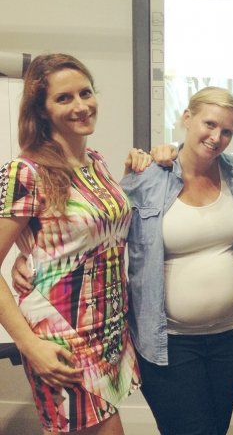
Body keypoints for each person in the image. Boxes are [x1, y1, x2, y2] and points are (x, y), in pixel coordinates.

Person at [0, 53, 141, 434]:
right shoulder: (25, 172)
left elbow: (92, 232)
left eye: (85, 93)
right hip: (59, 334)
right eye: (64, 98)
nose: (81, 106)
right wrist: (29, 345)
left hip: (107, 329)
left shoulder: (95, 161)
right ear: (41, 110)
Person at [120, 86, 233, 435]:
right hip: (169, 340)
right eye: (209, 124)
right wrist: (28, 256)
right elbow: (104, 237)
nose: (216, 137)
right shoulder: (147, 176)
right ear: (187, 117)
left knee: (215, 428)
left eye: (227, 131)